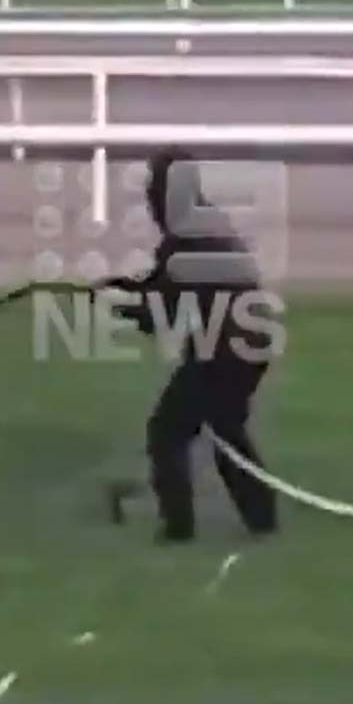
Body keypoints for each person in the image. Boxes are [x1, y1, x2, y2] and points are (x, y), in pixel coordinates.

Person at [103, 147, 281, 543]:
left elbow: (163, 313)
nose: (148, 200)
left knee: (167, 432)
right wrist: (127, 288)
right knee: (226, 432)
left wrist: (125, 310)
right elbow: (166, 284)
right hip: (247, 346)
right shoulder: (202, 226)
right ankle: (262, 519)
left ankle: (179, 528)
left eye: (154, 190)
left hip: (225, 353)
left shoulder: (185, 239)